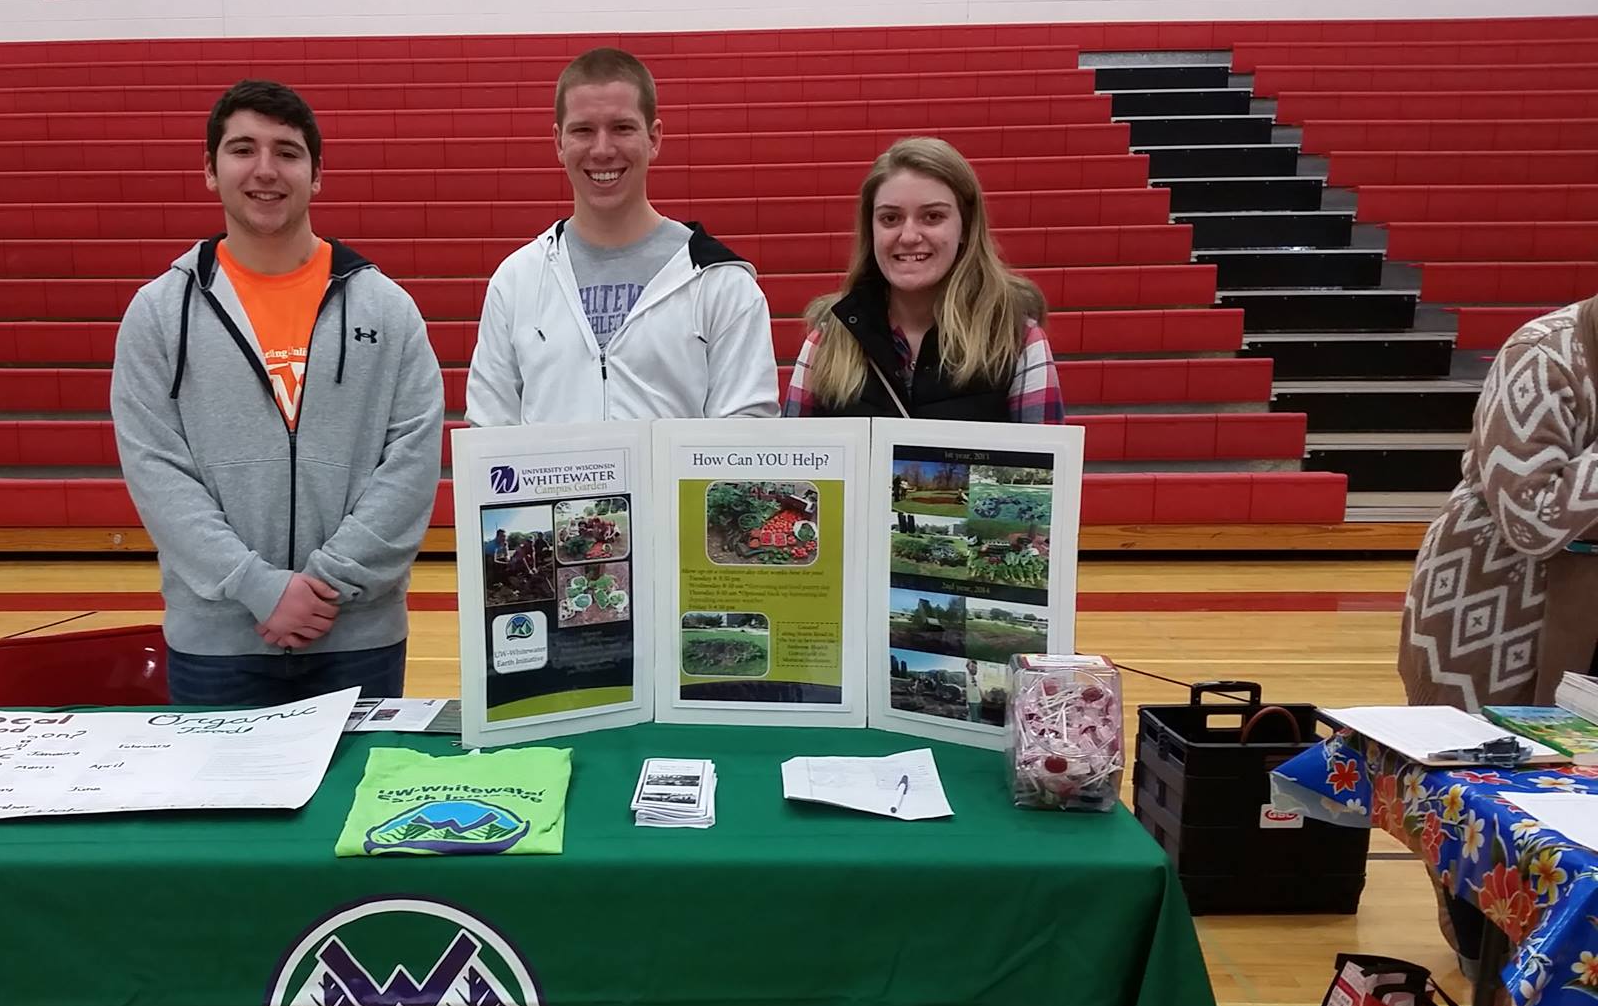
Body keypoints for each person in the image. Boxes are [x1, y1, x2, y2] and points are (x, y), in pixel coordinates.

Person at [112, 80, 445, 707]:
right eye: (243, 150)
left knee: (352, 806)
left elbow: (412, 464)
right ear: (209, 170)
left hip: (357, 636)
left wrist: (323, 586)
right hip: (217, 643)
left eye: (287, 152)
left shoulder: (388, 309)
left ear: (317, 174)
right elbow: (156, 471)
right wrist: (257, 587)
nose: (265, 170)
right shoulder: (159, 313)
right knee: (222, 809)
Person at [1397, 296, 1598, 1006]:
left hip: (1584, 619)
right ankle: (1495, 992)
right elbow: (1531, 516)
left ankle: (1557, 978)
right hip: (1488, 618)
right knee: (1481, 803)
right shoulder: (1545, 353)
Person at [464, 47, 779, 425]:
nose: (602, 149)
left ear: (654, 138)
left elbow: (743, 438)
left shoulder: (721, 281)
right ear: (559, 143)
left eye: (622, 128)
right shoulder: (517, 280)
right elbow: (489, 434)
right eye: (583, 130)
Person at [783, 136, 1063, 424]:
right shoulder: (828, 339)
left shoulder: (1017, 340)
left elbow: (1046, 465)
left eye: (932, 216)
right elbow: (793, 460)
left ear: (966, 227)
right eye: (890, 219)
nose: (909, 237)